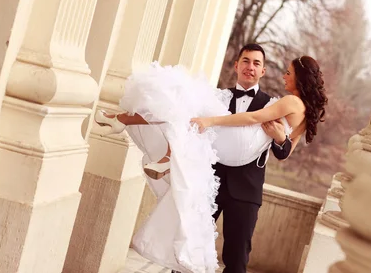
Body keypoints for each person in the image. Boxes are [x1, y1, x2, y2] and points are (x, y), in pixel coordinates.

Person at [94, 47, 327, 273]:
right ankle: (161, 149)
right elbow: (286, 145)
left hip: (245, 186)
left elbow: (279, 147)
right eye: (246, 61)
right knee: (188, 240)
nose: (284, 76)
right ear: (236, 65)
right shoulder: (228, 97)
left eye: (288, 73)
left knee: (236, 259)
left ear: (299, 78)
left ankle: (129, 125)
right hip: (213, 175)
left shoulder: (285, 102)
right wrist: (280, 136)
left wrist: (278, 138)